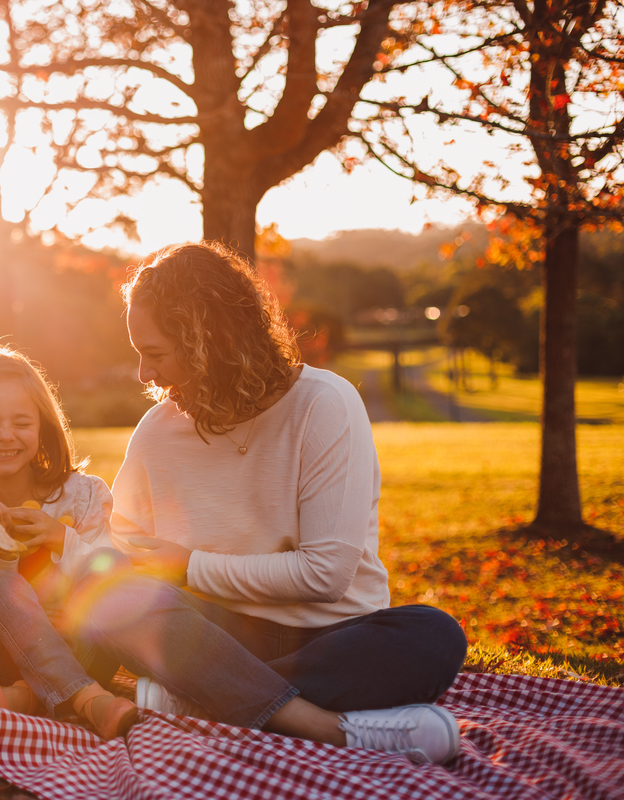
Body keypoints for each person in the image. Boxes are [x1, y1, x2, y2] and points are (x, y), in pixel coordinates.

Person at [75, 241, 468, 764]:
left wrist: (189, 565)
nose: (145, 374)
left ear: (208, 343)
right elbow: (124, 549)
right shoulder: (157, 430)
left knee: (433, 635)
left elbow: (325, 575)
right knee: (105, 593)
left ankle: (199, 699)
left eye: (156, 353)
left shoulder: (324, 405)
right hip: (218, 632)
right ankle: (321, 726)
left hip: (333, 637)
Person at [0, 348, 138, 739]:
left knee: (110, 566)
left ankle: (31, 698)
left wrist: (57, 536)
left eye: (21, 422)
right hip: (3, 657)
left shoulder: (82, 494)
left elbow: (112, 572)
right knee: (0, 584)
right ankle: (88, 699)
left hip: (83, 647)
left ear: (42, 426)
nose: (6, 435)